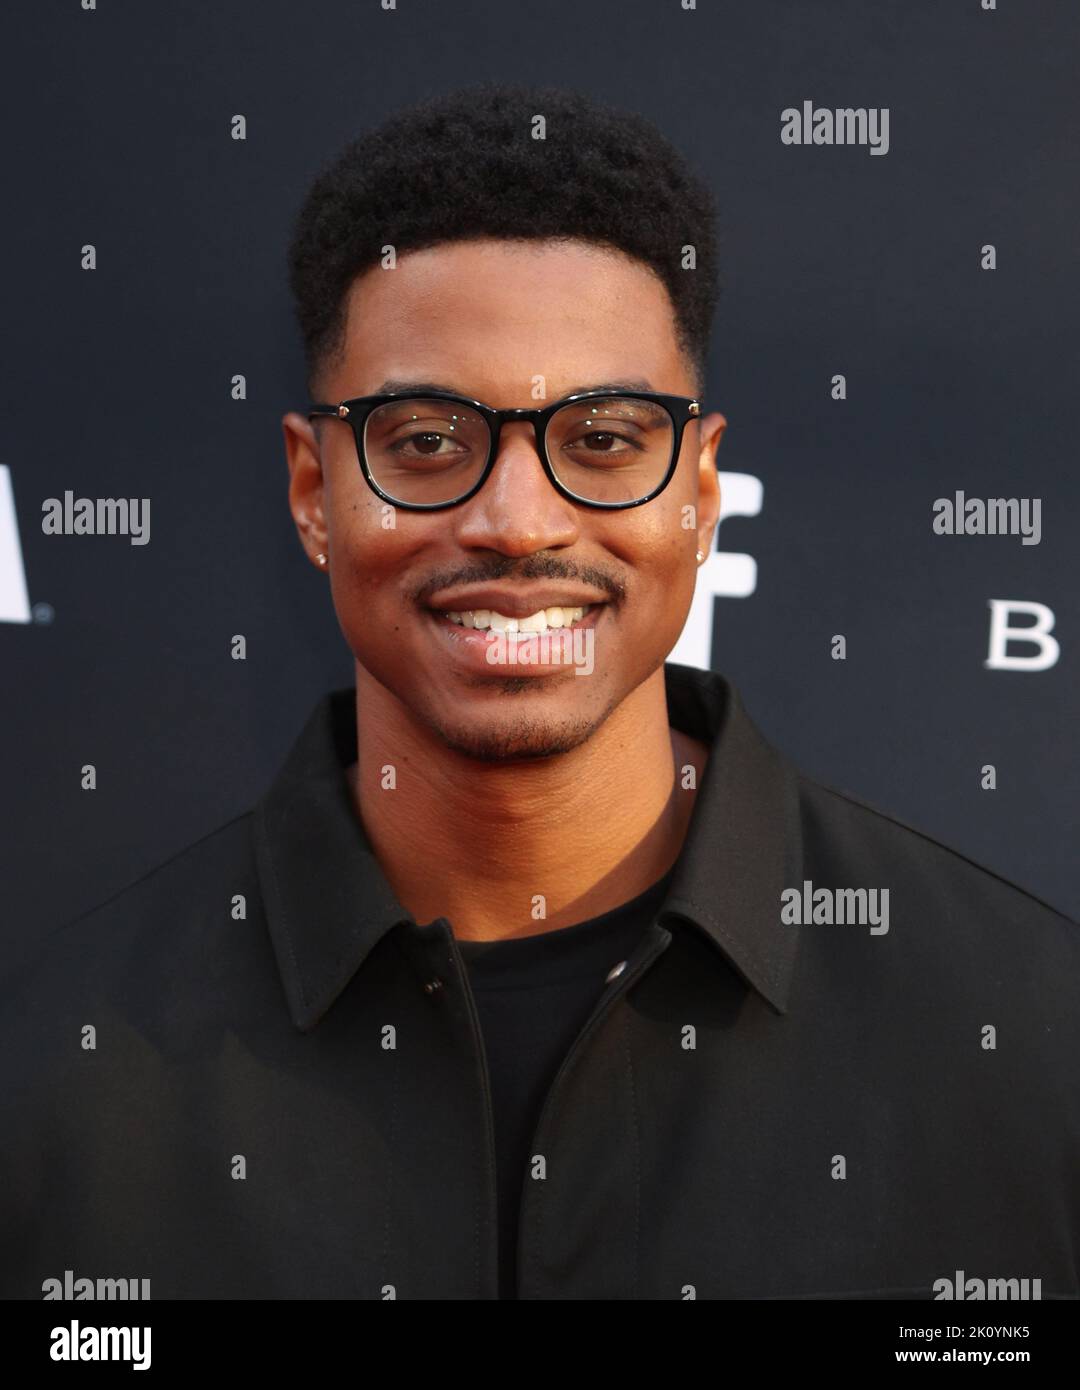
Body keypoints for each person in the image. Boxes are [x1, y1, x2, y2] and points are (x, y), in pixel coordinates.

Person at [2, 82, 1077, 1302]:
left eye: (605, 439)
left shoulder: (1025, 1041)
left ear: (702, 490)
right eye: (424, 441)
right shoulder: (63, 1080)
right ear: (312, 489)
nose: (517, 521)